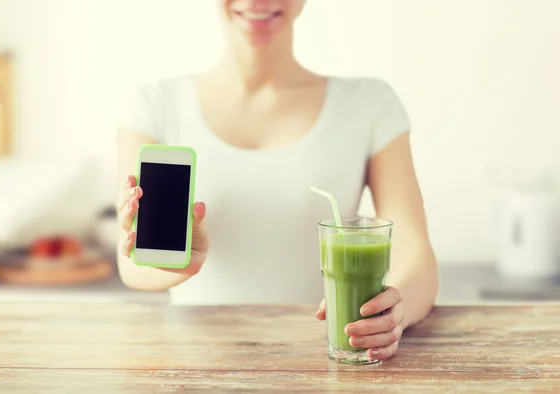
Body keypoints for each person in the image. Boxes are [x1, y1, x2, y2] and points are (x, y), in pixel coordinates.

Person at [116, 0, 438, 361]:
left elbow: (415, 251)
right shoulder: (154, 105)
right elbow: (130, 262)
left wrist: (396, 312)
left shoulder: (369, 104)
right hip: (193, 368)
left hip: (324, 364)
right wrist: (180, 264)